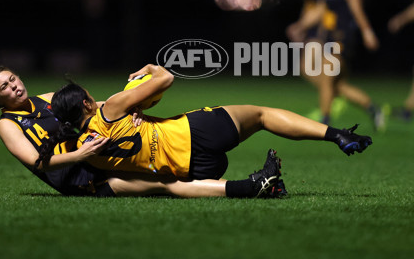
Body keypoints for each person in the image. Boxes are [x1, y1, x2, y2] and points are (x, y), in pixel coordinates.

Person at [41, 63, 373, 196]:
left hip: (195, 169)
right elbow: (166, 78)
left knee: (169, 182)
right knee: (260, 114)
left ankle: (253, 186)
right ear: (86, 105)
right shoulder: (111, 108)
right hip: (196, 132)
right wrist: (150, 70)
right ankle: (336, 134)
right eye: (88, 97)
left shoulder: (87, 154)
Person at [0, 65, 286, 198]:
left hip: (95, 155)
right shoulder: (6, 125)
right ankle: (248, 188)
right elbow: (37, 162)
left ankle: (257, 186)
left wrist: (132, 109)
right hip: (79, 178)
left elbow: (94, 107)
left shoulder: (47, 98)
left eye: (13, 79)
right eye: (5, 87)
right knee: (165, 184)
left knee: (166, 172)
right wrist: (80, 154)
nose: (15, 86)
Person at [288, 0, 386, 130]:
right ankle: (372, 108)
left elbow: (357, 10)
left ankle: (324, 121)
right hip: (329, 37)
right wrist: (301, 26)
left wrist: (367, 31)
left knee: (326, 77)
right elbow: (321, 9)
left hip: (343, 37)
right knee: (334, 83)